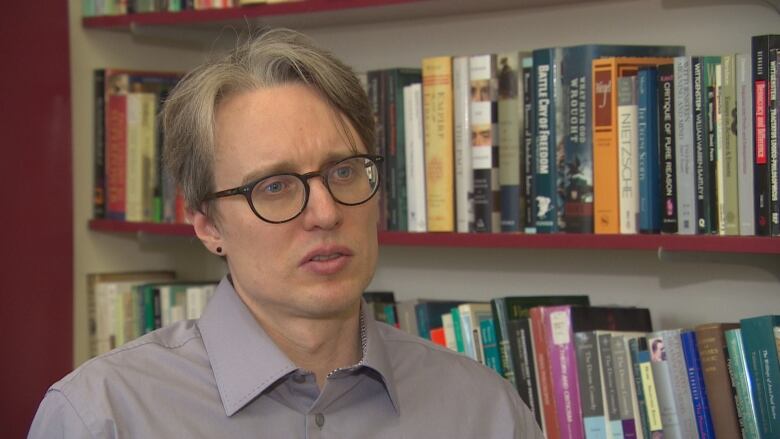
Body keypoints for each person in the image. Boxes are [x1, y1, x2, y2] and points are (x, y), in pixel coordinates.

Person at [29, 29, 542, 438]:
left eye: (343, 171)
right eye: (275, 186)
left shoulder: (486, 412)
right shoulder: (102, 416)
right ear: (207, 224)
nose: (324, 211)